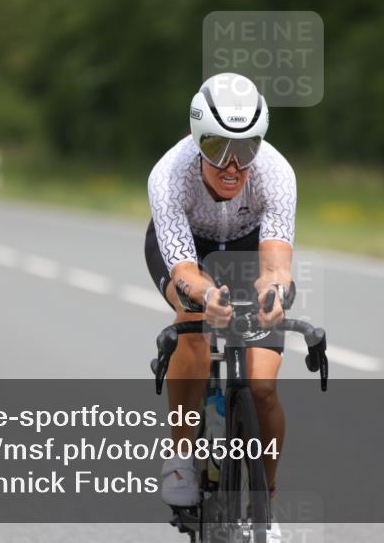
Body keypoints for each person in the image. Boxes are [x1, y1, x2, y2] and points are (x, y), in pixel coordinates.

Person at [145, 73, 296, 534]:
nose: (232, 165)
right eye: (217, 150)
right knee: (192, 314)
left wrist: (273, 293)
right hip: (187, 252)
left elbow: (275, 264)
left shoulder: (276, 173)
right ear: (197, 142)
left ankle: (265, 501)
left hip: (249, 251)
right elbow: (185, 272)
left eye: (246, 149)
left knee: (263, 386)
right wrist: (207, 296)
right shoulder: (169, 175)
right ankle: (182, 458)